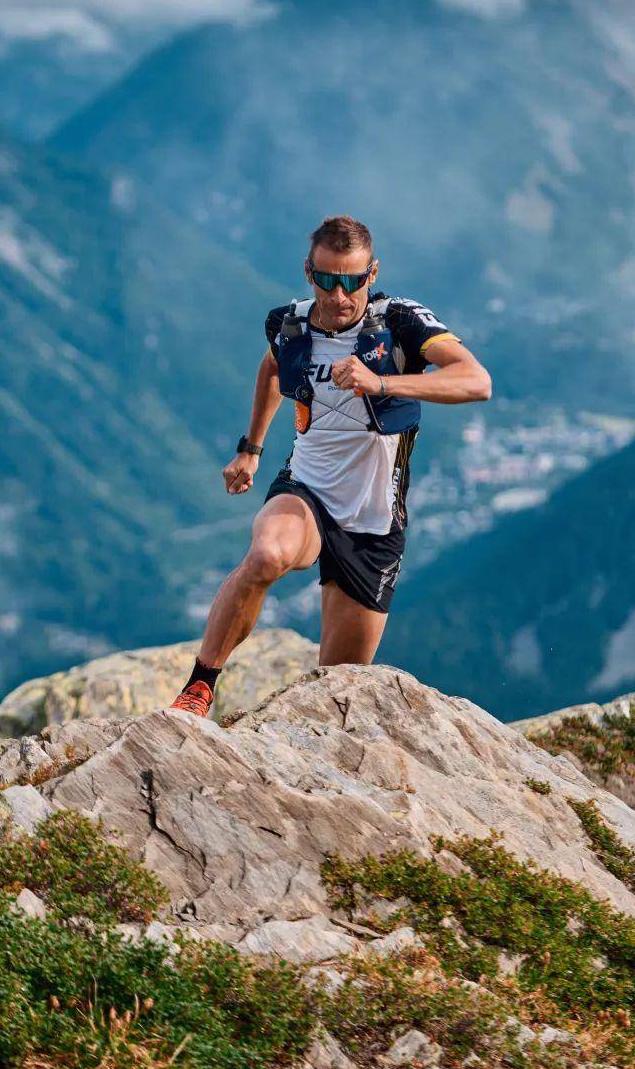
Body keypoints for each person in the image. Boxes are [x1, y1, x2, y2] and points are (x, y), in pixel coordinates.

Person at [171, 214, 491, 717]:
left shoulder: (401, 323)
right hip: (307, 490)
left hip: (374, 519)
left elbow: (476, 381)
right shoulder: (290, 323)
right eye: (326, 280)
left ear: (372, 274)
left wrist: (382, 383)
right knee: (267, 556)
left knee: (336, 693)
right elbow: (273, 366)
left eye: (352, 281)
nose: (339, 296)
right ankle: (199, 686)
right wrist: (250, 449)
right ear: (308, 272)